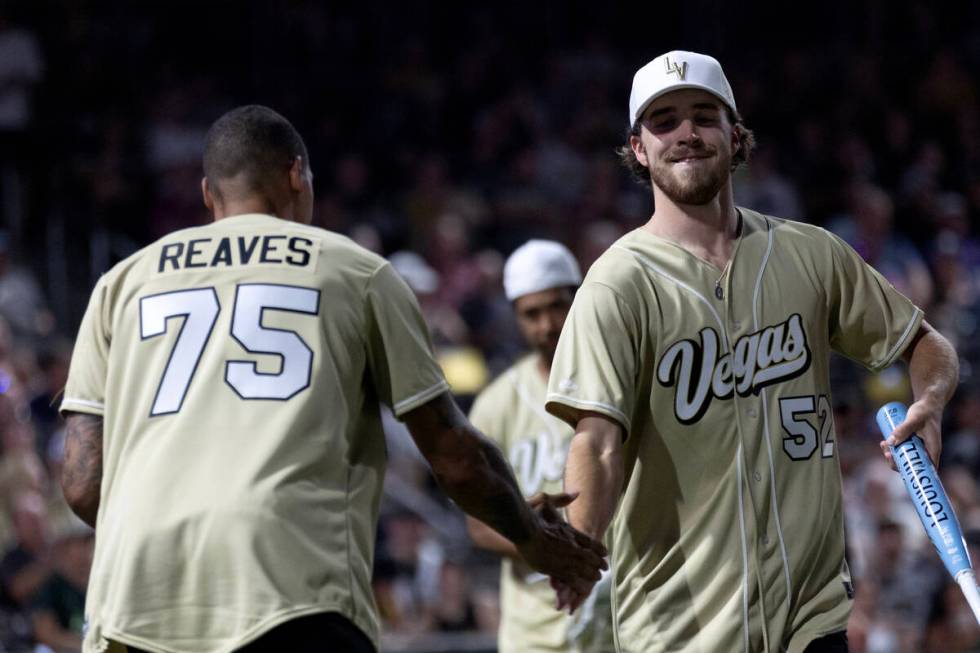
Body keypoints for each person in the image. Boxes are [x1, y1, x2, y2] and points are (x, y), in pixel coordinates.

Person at [58, 105, 606, 653]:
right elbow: (454, 456)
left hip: (134, 596)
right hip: (286, 592)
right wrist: (535, 540)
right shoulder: (355, 272)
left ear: (208, 193)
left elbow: (82, 484)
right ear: (298, 175)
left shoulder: (120, 284)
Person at [544, 51, 959, 653]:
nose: (686, 133)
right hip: (682, 631)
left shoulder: (811, 254)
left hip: (812, 620)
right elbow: (598, 442)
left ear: (735, 136)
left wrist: (931, 400)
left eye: (703, 116)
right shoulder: (617, 284)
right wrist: (580, 541)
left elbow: (926, 344)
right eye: (664, 122)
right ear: (638, 148)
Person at [466, 239, 615, 653]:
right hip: (533, 634)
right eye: (532, 313)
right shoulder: (496, 403)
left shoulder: (618, 379)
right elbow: (477, 527)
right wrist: (540, 541)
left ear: (579, 298)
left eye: (557, 306)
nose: (548, 324)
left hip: (623, 618)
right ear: (515, 317)